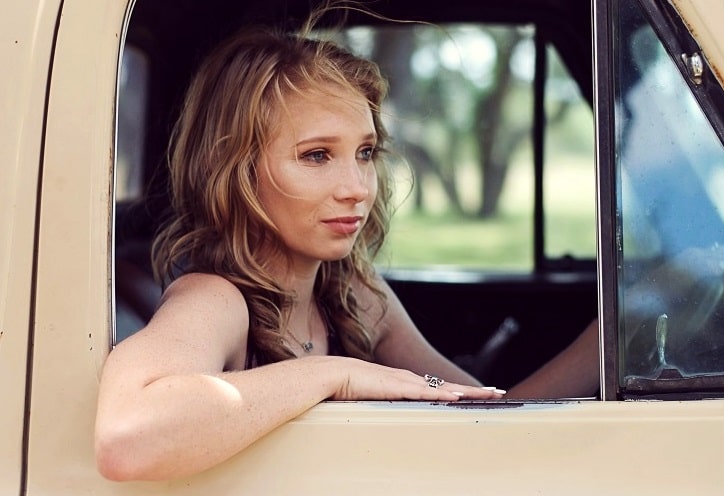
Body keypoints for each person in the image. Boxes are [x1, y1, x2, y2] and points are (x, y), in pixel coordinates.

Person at [94, 17, 600, 482]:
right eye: (316, 155)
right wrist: (336, 374)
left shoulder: (351, 290)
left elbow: (484, 415)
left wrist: (610, 342)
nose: (357, 186)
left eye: (364, 152)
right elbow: (125, 437)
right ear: (237, 169)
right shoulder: (215, 300)